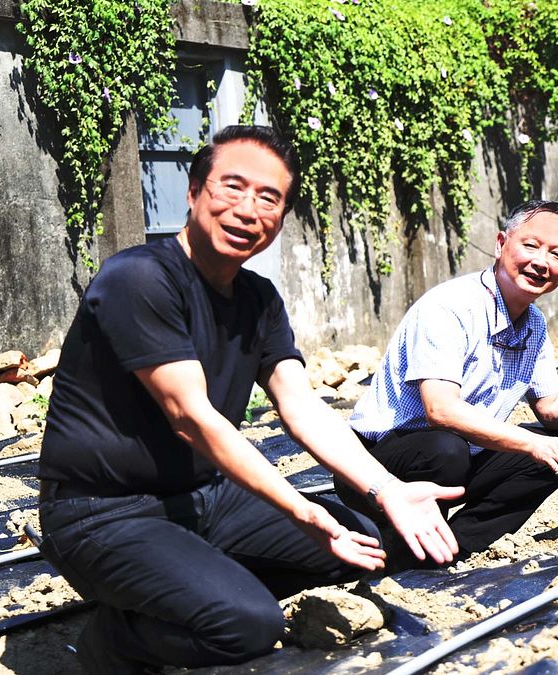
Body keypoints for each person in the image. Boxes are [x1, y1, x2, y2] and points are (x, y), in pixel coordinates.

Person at [36, 126, 464, 673]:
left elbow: (301, 406)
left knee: (360, 539)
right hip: (102, 511)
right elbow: (193, 419)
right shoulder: (140, 278)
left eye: (269, 198)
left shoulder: (258, 299)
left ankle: (190, 588)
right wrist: (298, 505)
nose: (247, 209)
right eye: (231, 187)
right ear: (192, 193)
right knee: (248, 626)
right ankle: (115, 641)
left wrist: (386, 488)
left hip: (203, 497)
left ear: (282, 217)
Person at [338, 200, 558, 561]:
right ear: (500, 243)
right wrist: (526, 442)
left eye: (557, 253)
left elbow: (551, 408)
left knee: (554, 454)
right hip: (378, 465)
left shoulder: (533, 324)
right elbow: (440, 410)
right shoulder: (451, 307)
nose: (542, 261)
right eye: (531, 245)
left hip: (459, 453)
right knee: (448, 449)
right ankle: (406, 545)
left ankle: (452, 549)